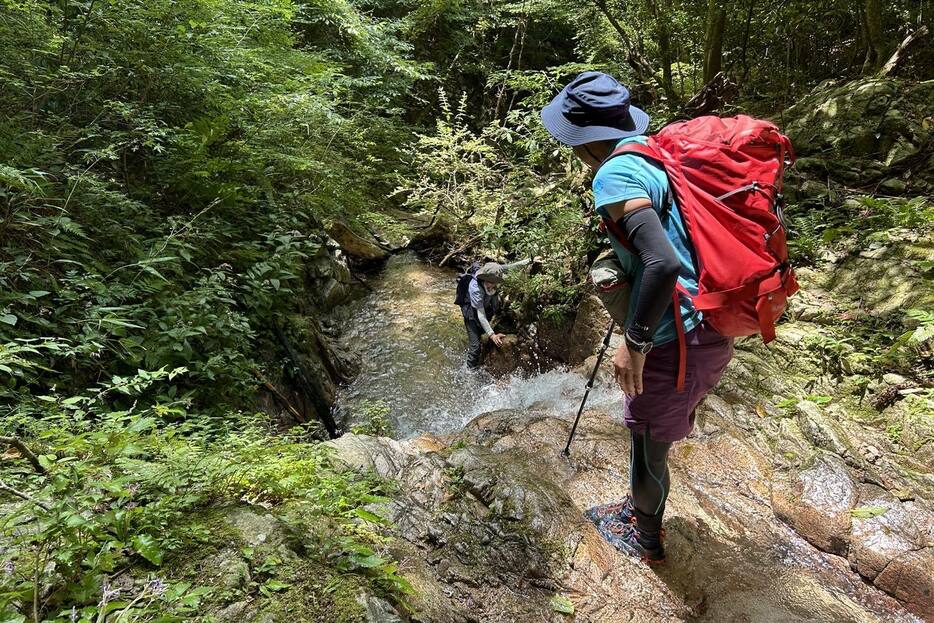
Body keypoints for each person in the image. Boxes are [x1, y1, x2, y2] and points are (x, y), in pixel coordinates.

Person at [540, 71, 734, 563]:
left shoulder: (614, 173)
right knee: (655, 433)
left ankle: (644, 538)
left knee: (648, 445)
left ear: (585, 138)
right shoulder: (658, 153)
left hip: (676, 342)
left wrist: (636, 341)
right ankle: (637, 509)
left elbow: (663, 262)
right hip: (709, 328)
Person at [461, 259, 531, 368]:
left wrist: (529, 261)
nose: (492, 284)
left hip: (486, 307)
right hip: (471, 312)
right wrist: (492, 335)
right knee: (475, 348)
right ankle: (468, 371)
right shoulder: (475, 288)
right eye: (489, 281)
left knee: (481, 334)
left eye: (494, 282)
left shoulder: (495, 269)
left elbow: (511, 266)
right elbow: (480, 315)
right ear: (484, 278)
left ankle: (480, 348)